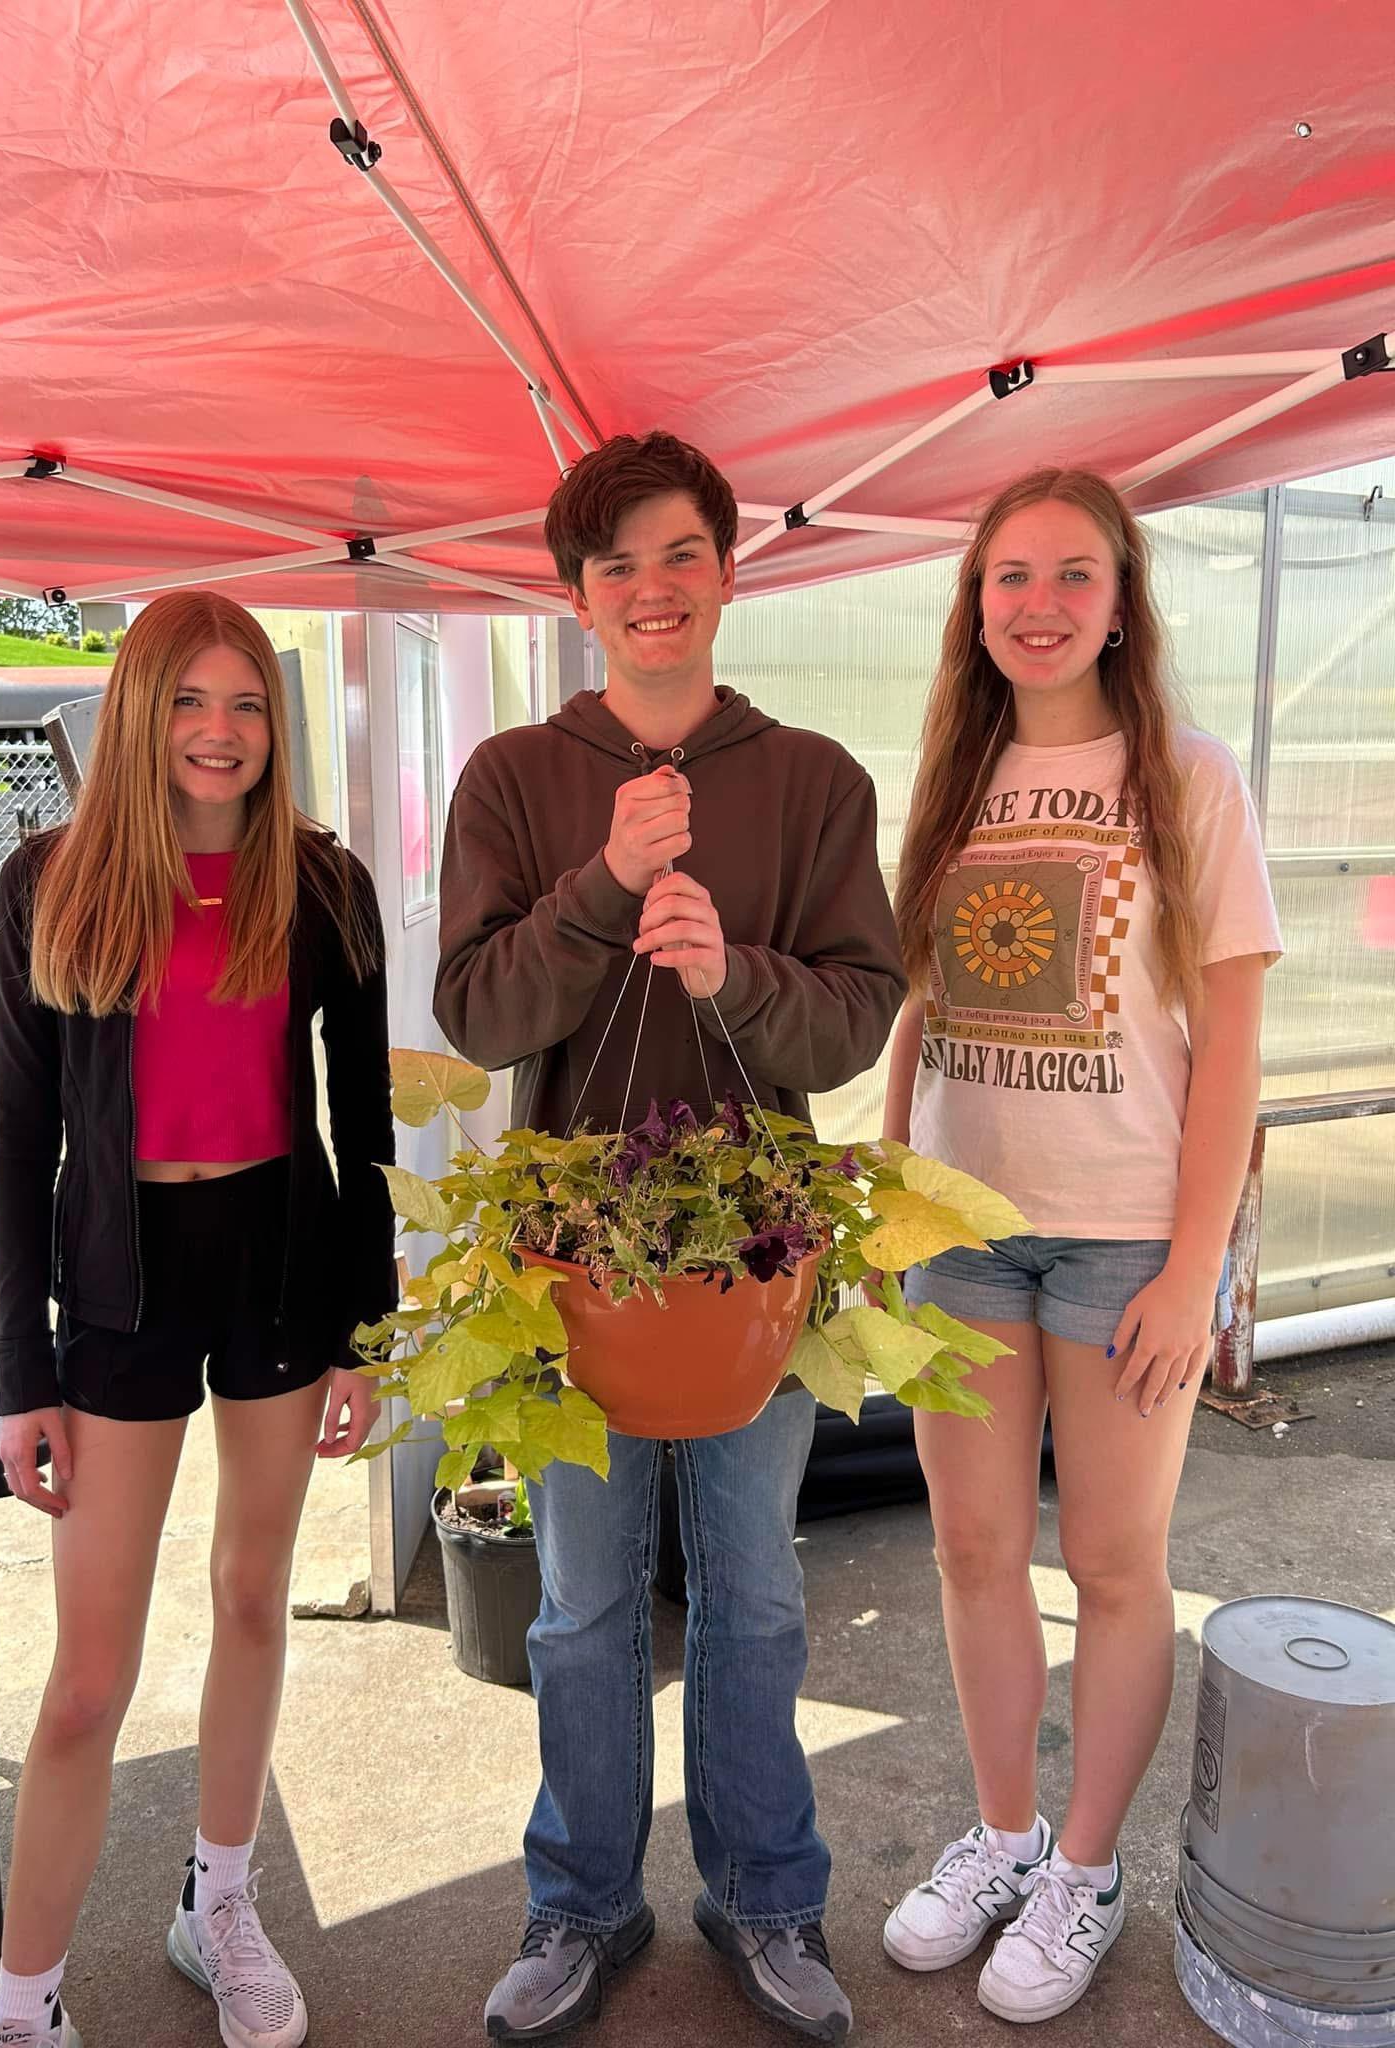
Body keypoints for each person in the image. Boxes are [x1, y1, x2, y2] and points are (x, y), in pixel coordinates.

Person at [435, 430, 906, 2044]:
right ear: (579, 595)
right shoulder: (515, 777)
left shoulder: (813, 781)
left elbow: (855, 1015)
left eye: (680, 553)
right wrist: (602, 884)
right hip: (572, 1272)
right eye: (617, 563)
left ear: (728, 570)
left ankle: (765, 1896)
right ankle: (581, 1901)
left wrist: (732, 975)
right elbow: (479, 1012)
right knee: (579, 1606)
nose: (653, 588)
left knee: (756, 1592)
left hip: (757, 1266)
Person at [879, 468, 1281, 2023]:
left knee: (1113, 1565)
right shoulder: (953, 776)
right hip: (961, 1232)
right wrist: (891, 1192)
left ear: (1121, 605)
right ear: (974, 606)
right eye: (1009, 578)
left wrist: (1197, 1267)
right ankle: (1005, 1840)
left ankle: (1089, 1873)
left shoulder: (1192, 778)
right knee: (973, 1551)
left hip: (1124, 1248)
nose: (1036, 605)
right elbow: (917, 1006)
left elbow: (1232, 1045)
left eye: (1071, 576)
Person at [0, 590, 397, 2048]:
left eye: (247, 705)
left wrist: (365, 1330)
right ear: (138, 712)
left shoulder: (323, 883)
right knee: (87, 1679)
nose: (220, 732)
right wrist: (20, 1373)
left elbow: (364, 1122)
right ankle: (26, 2005)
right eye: (188, 701)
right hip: (119, 1285)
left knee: (249, 1595)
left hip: (277, 1264)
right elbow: (22, 1139)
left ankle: (218, 1900)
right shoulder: (52, 880)